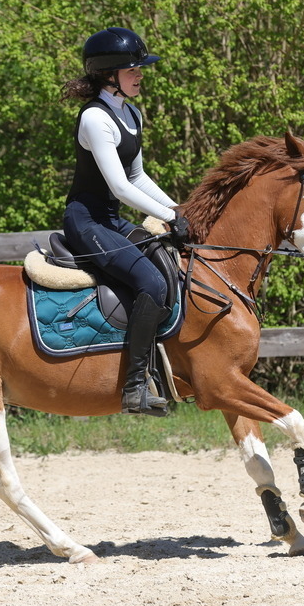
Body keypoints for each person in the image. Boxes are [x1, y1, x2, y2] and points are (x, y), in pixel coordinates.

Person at [59, 27, 190, 417]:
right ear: (108, 74)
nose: (140, 75)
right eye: (133, 69)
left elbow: (137, 176)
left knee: (166, 265)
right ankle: (134, 388)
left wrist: (180, 211)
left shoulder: (130, 113)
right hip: (86, 223)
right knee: (151, 281)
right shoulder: (95, 118)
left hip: (110, 220)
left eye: (140, 68)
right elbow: (119, 186)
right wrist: (167, 217)